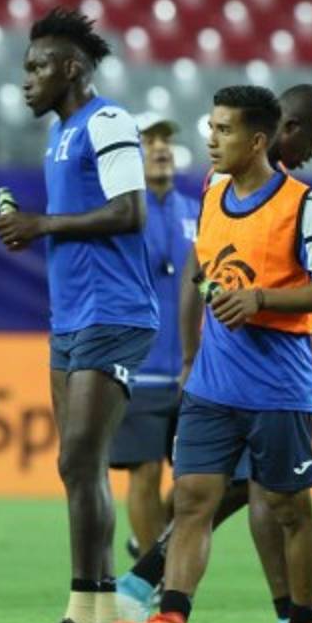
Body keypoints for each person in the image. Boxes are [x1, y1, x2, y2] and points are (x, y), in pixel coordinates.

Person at [115, 85, 312, 623]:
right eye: (212, 127)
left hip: (276, 387)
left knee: (284, 506)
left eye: (222, 130)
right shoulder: (214, 190)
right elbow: (204, 276)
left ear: (256, 139)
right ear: (282, 132)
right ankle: (169, 622)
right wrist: (197, 347)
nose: (210, 139)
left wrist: (275, 313)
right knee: (194, 499)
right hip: (214, 381)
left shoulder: (303, 204)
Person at [0, 8, 157, 623]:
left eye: (37, 67)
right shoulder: (60, 135)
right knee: (78, 466)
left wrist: (42, 225)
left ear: (71, 68)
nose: (26, 79)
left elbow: (130, 211)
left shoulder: (107, 122)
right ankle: (96, 616)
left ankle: (85, 619)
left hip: (113, 312)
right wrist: (32, 227)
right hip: (71, 316)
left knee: (80, 460)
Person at [108, 112, 197, 555]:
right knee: (143, 473)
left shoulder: (198, 213)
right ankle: (150, 572)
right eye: (148, 140)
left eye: (165, 139)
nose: (160, 147)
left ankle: (147, 539)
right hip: (139, 366)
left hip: (194, 371)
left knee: (205, 479)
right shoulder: (118, 214)